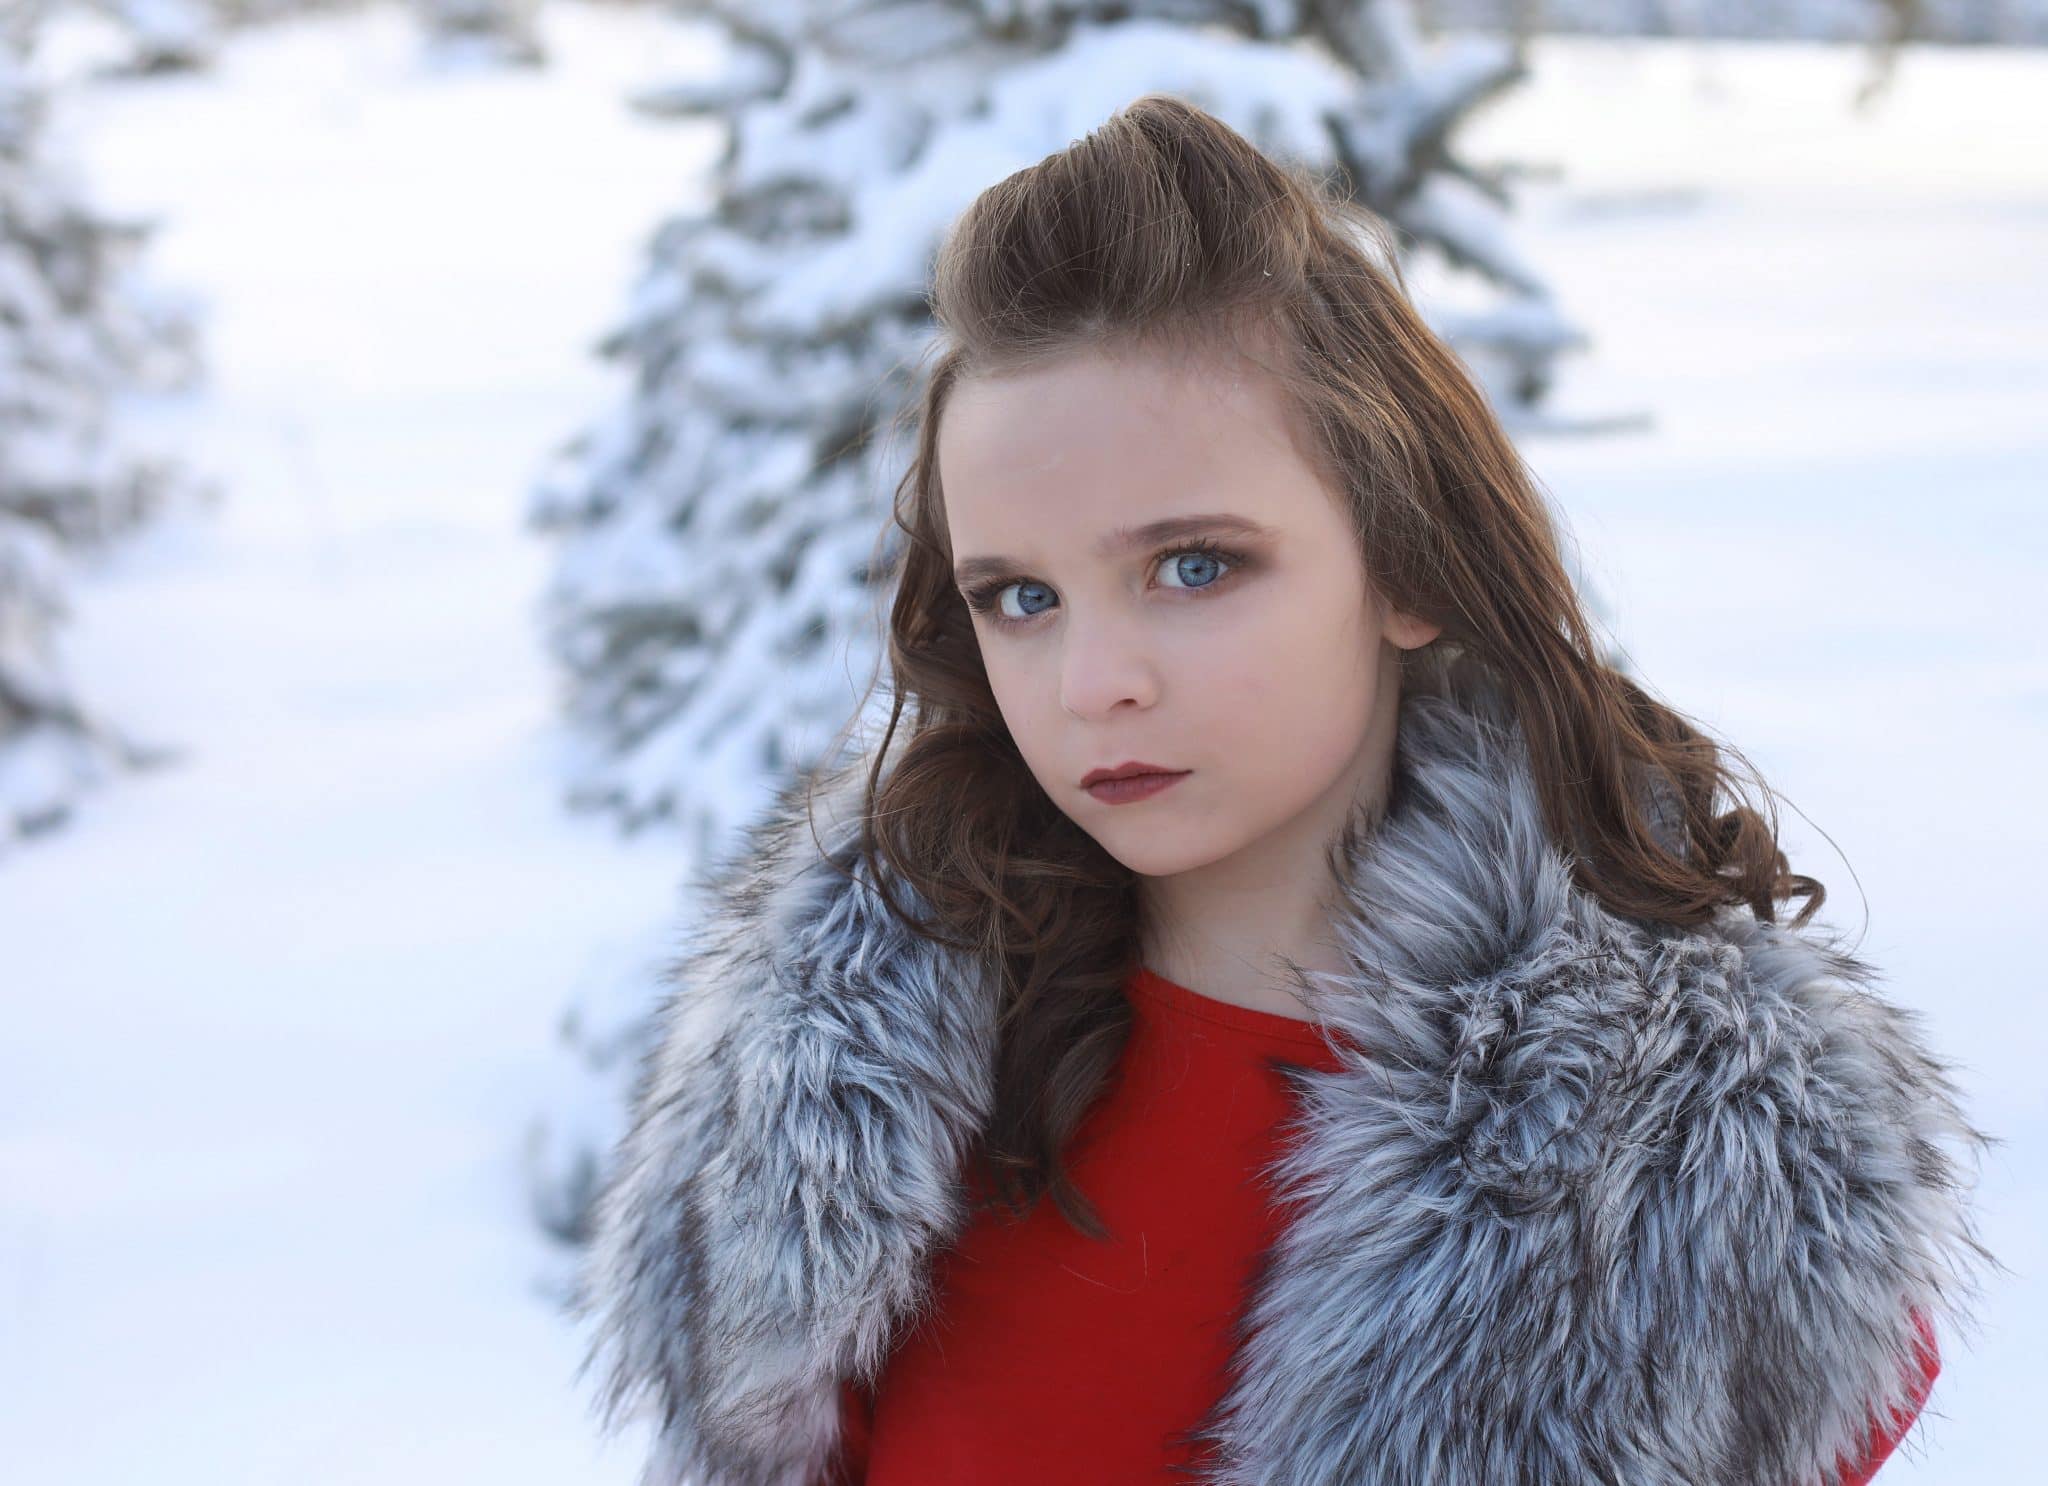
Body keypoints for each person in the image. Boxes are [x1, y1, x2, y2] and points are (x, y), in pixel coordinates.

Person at [571, 94, 1992, 1485]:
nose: (1092, 682)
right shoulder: (842, 1110)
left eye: (1193, 565)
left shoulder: (1713, 1189)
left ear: (1413, 564)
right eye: (1019, 594)